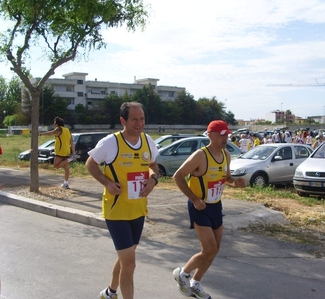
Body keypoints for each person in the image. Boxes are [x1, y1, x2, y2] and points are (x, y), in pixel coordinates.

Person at [85, 102, 159, 299]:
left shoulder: (148, 141)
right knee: (130, 263)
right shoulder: (111, 142)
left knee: (126, 257)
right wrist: (107, 182)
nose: (139, 123)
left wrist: (153, 179)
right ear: (123, 120)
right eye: (134, 119)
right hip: (116, 211)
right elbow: (90, 164)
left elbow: (153, 165)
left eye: (142, 118)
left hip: (138, 210)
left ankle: (110, 292)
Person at [172, 120, 246, 299]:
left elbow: (226, 178)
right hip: (200, 206)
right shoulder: (200, 156)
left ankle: (196, 283)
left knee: (215, 249)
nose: (225, 138)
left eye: (227, 134)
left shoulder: (226, 155)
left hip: (216, 206)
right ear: (210, 135)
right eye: (221, 134)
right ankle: (183, 273)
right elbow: (178, 176)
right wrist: (194, 198)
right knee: (209, 249)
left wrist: (236, 183)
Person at [39, 116, 76, 189]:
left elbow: (51, 133)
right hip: (67, 151)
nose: (53, 124)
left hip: (60, 151)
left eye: (54, 123)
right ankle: (66, 183)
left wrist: (40, 134)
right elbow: (71, 142)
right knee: (66, 167)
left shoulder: (59, 129)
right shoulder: (67, 130)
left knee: (56, 165)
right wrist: (73, 153)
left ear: (57, 124)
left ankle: (69, 159)